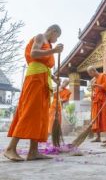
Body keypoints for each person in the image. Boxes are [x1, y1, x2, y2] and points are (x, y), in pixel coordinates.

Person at [4, 25, 63, 161]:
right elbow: (34, 54)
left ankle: (33, 151)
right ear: (53, 32)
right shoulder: (40, 37)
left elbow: (45, 66)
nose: (55, 40)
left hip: (43, 79)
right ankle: (10, 148)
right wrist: (54, 50)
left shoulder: (48, 45)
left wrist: (54, 78)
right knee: (29, 111)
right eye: (56, 37)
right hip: (35, 79)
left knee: (39, 114)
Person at [87, 66, 106, 143]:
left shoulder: (103, 75)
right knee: (96, 118)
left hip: (102, 99)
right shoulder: (94, 80)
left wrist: (97, 85)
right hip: (95, 100)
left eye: (90, 73)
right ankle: (98, 137)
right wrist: (92, 95)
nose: (90, 75)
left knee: (103, 117)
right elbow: (93, 90)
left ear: (93, 71)